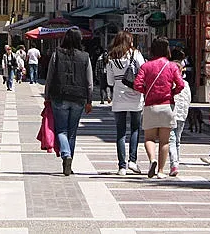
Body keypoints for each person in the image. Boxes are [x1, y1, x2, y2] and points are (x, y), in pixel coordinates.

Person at [43, 27, 93, 176]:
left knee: (61, 130)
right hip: (78, 98)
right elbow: (89, 81)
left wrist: (47, 96)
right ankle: (69, 161)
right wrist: (89, 101)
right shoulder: (85, 57)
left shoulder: (56, 54)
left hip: (59, 96)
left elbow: (49, 76)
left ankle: (66, 155)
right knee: (72, 133)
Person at [133, 37, 184, 179]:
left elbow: (137, 84)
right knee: (165, 141)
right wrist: (172, 92)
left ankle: (152, 160)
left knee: (149, 138)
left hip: (150, 106)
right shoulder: (172, 66)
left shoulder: (146, 66)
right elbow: (181, 84)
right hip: (167, 105)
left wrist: (147, 91)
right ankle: (161, 171)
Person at [105, 30, 144, 175]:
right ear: (129, 41)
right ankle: (132, 161)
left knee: (120, 132)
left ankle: (122, 166)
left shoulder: (111, 58)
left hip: (119, 97)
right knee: (135, 128)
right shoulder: (136, 54)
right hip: (135, 95)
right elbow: (143, 70)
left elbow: (109, 81)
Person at [169, 47, 192, 176]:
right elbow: (188, 99)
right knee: (177, 139)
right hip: (182, 114)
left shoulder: (171, 83)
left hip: (172, 113)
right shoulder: (186, 84)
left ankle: (174, 164)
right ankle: (177, 160)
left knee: (171, 138)